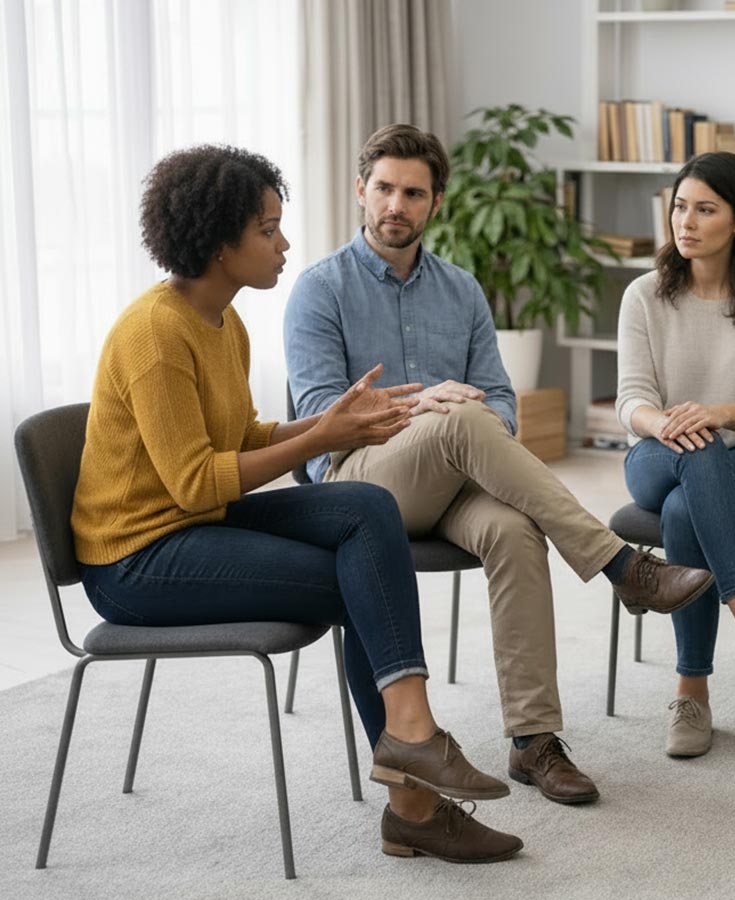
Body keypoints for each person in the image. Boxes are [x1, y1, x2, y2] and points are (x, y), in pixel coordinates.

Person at [71, 145, 523, 864]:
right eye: (268, 230)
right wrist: (323, 435)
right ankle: (414, 793)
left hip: (193, 524)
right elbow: (195, 483)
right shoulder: (156, 333)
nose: (284, 244)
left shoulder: (224, 322)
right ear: (220, 244)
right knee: (363, 581)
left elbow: (240, 438)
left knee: (365, 507)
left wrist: (335, 421)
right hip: (136, 558)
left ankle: (411, 748)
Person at [284, 124, 713, 804]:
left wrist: (466, 420)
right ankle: (620, 566)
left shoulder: (461, 290)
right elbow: (317, 422)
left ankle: (533, 739)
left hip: (453, 480)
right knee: (456, 416)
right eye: (385, 189)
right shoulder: (319, 289)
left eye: (414, 193)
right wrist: (428, 408)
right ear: (360, 189)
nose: (396, 205)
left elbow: (502, 403)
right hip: (357, 488)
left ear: (436, 202)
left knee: (514, 528)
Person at [616, 152, 735, 757]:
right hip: (656, 454)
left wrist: (714, 414)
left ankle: (691, 690)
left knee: (684, 508)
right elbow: (631, 399)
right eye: (679, 207)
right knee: (694, 454)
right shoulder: (644, 295)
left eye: (705, 209)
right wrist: (666, 423)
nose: (686, 222)